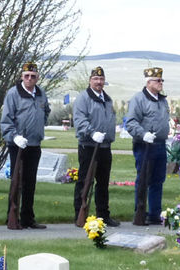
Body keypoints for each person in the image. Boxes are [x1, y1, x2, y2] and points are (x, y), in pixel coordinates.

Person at [0, 62, 51, 229]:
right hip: (18, 144)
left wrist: (38, 129)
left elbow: (46, 112)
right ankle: (12, 216)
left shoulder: (41, 94)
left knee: (30, 182)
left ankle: (28, 218)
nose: (30, 79)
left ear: (37, 77)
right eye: (27, 76)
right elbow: (6, 120)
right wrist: (15, 136)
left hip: (34, 144)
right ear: (22, 77)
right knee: (17, 181)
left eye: (33, 76)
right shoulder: (13, 94)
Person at [73, 66, 120, 227]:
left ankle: (103, 215)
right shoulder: (83, 98)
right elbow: (80, 120)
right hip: (89, 145)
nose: (99, 82)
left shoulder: (107, 99)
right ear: (90, 81)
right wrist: (91, 132)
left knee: (103, 182)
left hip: (105, 146)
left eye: (101, 79)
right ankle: (80, 212)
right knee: (85, 181)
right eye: (95, 79)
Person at [125, 67, 170, 225]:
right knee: (143, 179)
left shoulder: (162, 100)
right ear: (148, 82)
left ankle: (155, 213)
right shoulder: (139, 99)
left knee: (158, 180)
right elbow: (130, 123)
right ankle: (140, 211)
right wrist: (143, 134)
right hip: (144, 145)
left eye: (161, 80)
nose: (160, 83)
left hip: (159, 144)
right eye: (158, 81)